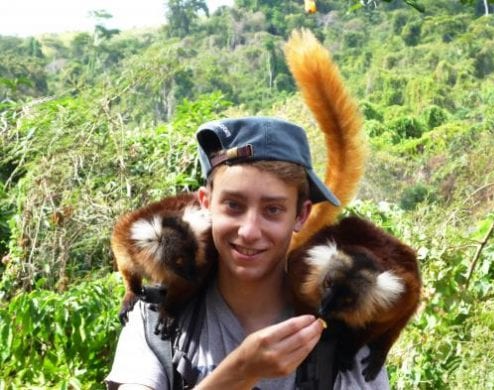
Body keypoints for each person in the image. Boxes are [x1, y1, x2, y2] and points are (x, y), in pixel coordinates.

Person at [106, 117, 390, 389]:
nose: (250, 231)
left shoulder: (344, 330)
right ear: (205, 203)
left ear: (301, 215)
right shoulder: (154, 317)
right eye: (233, 205)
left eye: (273, 210)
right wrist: (242, 370)